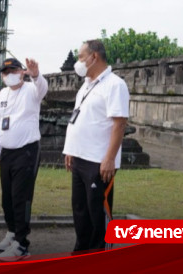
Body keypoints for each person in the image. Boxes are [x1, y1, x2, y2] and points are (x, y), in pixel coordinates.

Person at [63, 40, 129, 252]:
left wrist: (109, 158)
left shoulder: (115, 84)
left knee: (97, 212)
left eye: (82, 57)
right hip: (80, 157)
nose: (79, 62)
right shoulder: (86, 84)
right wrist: (71, 150)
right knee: (80, 210)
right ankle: (81, 250)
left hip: (99, 161)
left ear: (94, 57)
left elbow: (119, 124)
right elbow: (80, 118)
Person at [0, 58, 48, 261]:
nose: (9, 74)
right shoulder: (3, 94)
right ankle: (13, 232)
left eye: (13, 70)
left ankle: (22, 244)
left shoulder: (32, 90)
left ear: (21, 72)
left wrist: (35, 74)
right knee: (7, 198)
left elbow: (43, 87)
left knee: (20, 197)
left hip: (26, 151)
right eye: (5, 72)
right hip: (7, 151)